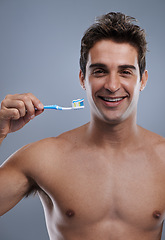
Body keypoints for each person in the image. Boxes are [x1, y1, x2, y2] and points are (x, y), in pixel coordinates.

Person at [0, 12, 165, 240]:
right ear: (82, 78)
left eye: (125, 71)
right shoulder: (45, 158)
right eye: (100, 71)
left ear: (143, 80)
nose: (112, 85)